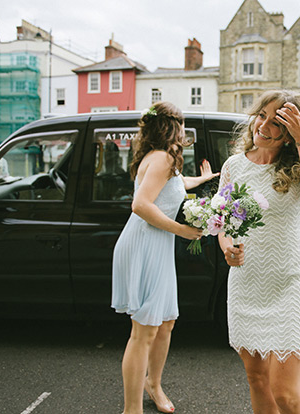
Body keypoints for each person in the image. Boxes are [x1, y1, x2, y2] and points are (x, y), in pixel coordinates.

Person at [217, 90, 300, 414]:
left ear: (290, 133)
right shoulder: (233, 166)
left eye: (277, 122)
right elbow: (223, 221)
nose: (263, 126)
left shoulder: (298, 165)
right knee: (256, 378)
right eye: (261, 115)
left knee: (285, 392)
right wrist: (227, 247)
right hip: (247, 283)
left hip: (289, 283)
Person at [111, 102, 219, 414]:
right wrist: (182, 230)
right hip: (145, 244)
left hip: (156, 245)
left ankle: (153, 384)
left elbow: (174, 186)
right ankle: (132, 409)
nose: (184, 133)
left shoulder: (163, 160)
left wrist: (203, 179)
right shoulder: (159, 159)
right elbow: (140, 205)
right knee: (143, 332)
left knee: (166, 323)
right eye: (182, 126)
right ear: (172, 128)